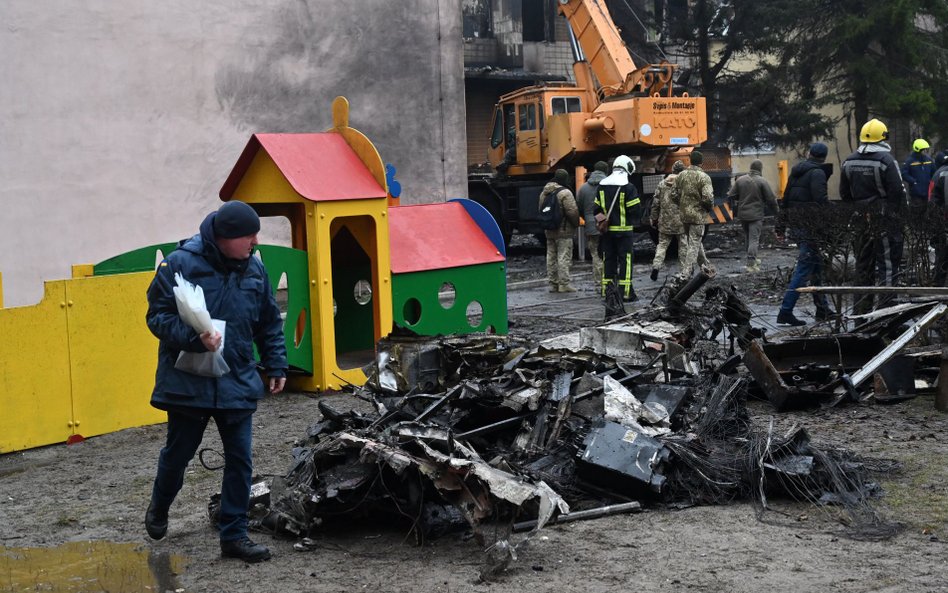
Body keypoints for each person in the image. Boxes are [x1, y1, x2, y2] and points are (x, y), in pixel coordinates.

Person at [144, 200, 288, 563]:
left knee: (241, 460)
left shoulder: (255, 268)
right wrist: (195, 337)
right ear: (225, 237)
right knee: (178, 455)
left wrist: (276, 365)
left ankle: (234, 536)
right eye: (248, 236)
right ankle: (160, 507)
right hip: (188, 381)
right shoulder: (179, 264)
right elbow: (156, 317)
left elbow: (269, 321)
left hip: (236, 377)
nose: (255, 243)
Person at [840, 118, 906, 314]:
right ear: (883, 137)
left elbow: (844, 194)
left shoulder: (849, 161)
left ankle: (860, 315)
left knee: (862, 268)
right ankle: (886, 315)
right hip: (884, 221)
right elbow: (897, 192)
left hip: (860, 220)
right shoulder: (886, 161)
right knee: (886, 268)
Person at [777, 143, 836, 326]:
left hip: (797, 225)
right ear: (823, 157)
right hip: (810, 227)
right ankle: (785, 311)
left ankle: (822, 309)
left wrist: (780, 226)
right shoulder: (817, 173)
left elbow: (785, 200)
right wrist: (834, 218)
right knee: (804, 269)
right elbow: (820, 201)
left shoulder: (796, 172)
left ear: (810, 154)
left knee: (816, 267)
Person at [594, 155, 642, 302]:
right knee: (626, 261)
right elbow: (635, 210)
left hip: (607, 232)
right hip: (624, 232)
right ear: (627, 168)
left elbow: (596, 209)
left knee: (608, 261)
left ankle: (607, 292)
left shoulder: (602, 185)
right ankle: (625, 293)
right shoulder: (628, 187)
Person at [728, 159, 778, 272]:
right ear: (760, 169)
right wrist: (776, 212)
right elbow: (771, 199)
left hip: (743, 215)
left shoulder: (740, 180)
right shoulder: (762, 181)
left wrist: (740, 199)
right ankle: (751, 264)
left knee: (748, 237)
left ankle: (752, 259)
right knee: (754, 239)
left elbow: (731, 195)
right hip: (756, 215)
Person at [673, 150, 715, 280]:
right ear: (702, 163)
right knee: (694, 243)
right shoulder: (704, 177)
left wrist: (681, 205)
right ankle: (686, 273)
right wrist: (707, 208)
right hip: (697, 216)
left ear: (690, 161)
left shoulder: (681, 175)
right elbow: (708, 197)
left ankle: (706, 266)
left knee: (694, 241)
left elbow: (673, 194)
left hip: (684, 215)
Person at [539, 169, 580, 292]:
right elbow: (572, 211)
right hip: (564, 230)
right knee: (563, 256)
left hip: (549, 229)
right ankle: (564, 284)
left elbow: (541, 210)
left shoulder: (544, 193)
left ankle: (553, 284)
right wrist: (576, 223)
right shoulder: (565, 193)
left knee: (551, 256)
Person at [649, 160, 686, 281]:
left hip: (665, 222)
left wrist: (654, 218)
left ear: (673, 170)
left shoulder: (662, 184)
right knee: (683, 246)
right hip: (681, 222)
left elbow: (655, 203)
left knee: (662, 246)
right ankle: (683, 272)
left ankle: (656, 266)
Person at [576, 161, 609, 290]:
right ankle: (607, 280)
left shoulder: (583, 188)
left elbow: (579, 208)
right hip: (606, 225)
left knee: (595, 255)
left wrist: (588, 219)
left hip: (590, 225)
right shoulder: (609, 185)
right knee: (607, 253)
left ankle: (598, 282)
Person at [901, 138, 935, 211]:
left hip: (928, 193)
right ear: (918, 150)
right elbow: (904, 174)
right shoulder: (909, 161)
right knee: (916, 215)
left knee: (928, 215)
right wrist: (913, 181)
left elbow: (934, 173)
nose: (926, 151)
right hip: (916, 194)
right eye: (924, 149)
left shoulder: (929, 160)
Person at [930, 152, 948, 285]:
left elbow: (932, 200)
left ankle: (939, 286)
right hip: (943, 221)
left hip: (939, 222)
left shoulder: (938, 173)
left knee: (941, 258)